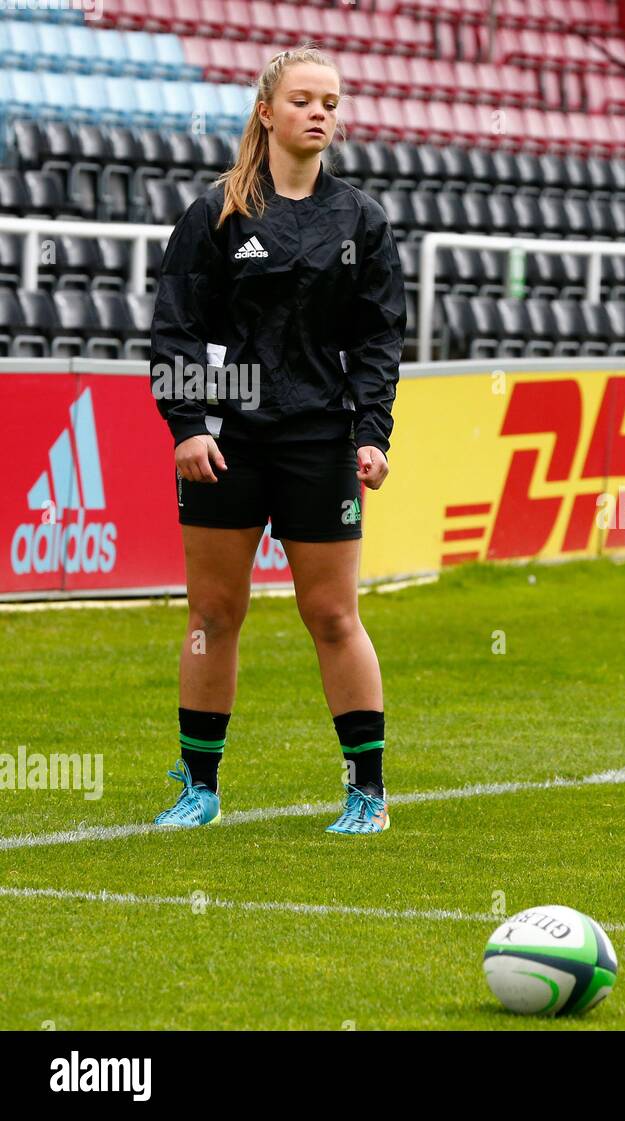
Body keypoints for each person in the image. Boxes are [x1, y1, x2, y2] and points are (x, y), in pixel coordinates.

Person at [150, 46, 405, 833]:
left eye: (331, 100)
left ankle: (367, 792)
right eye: (303, 100)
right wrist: (188, 427)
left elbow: (379, 339)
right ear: (267, 112)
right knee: (213, 613)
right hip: (227, 436)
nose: (320, 112)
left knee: (332, 614)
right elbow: (174, 332)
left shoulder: (360, 218)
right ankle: (199, 788)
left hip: (319, 438)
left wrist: (371, 432)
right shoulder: (215, 214)